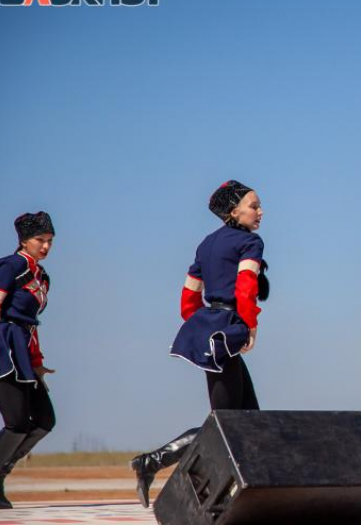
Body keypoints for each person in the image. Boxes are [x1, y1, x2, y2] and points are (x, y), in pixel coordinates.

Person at [130, 180, 268, 508]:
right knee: (224, 425)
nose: (260, 212)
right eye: (254, 206)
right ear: (234, 212)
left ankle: (238, 495)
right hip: (228, 330)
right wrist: (249, 326)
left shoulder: (206, 244)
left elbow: (188, 296)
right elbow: (247, 287)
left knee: (248, 420)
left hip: (209, 330)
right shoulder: (251, 242)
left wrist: (200, 324)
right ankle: (150, 463)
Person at [0, 212, 57, 510]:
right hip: (4, 347)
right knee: (15, 423)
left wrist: (37, 362)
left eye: (50, 241)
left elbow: (31, 322)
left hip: (25, 350)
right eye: (41, 240)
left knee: (44, 421)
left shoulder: (43, 276)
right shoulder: (11, 265)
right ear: (24, 240)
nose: (46, 246)